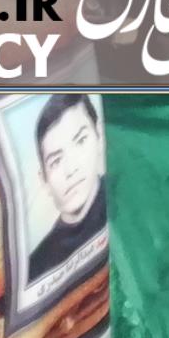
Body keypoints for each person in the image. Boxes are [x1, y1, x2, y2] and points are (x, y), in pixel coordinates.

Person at [25, 93, 106, 280]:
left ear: (99, 137)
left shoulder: (134, 199)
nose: (71, 169)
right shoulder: (36, 267)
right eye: (56, 161)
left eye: (80, 141)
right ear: (43, 180)